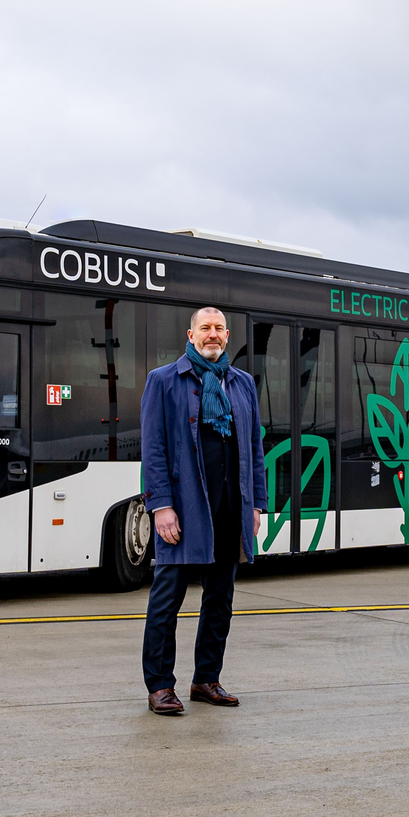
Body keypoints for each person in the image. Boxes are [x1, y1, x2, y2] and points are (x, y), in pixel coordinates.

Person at [138, 307, 267, 716]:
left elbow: (254, 451)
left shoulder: (242, 383)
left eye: (218, 329)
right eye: (204, 329)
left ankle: (205, 679)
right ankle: (160, 686)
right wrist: (160, 506)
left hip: (231, 508)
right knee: (166, 599)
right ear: (190, 335)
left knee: (220, 599)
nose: (212, 335)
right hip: (184, 509)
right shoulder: (163, 381)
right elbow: (153, 451)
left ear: (227, 335)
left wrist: (257, 505)